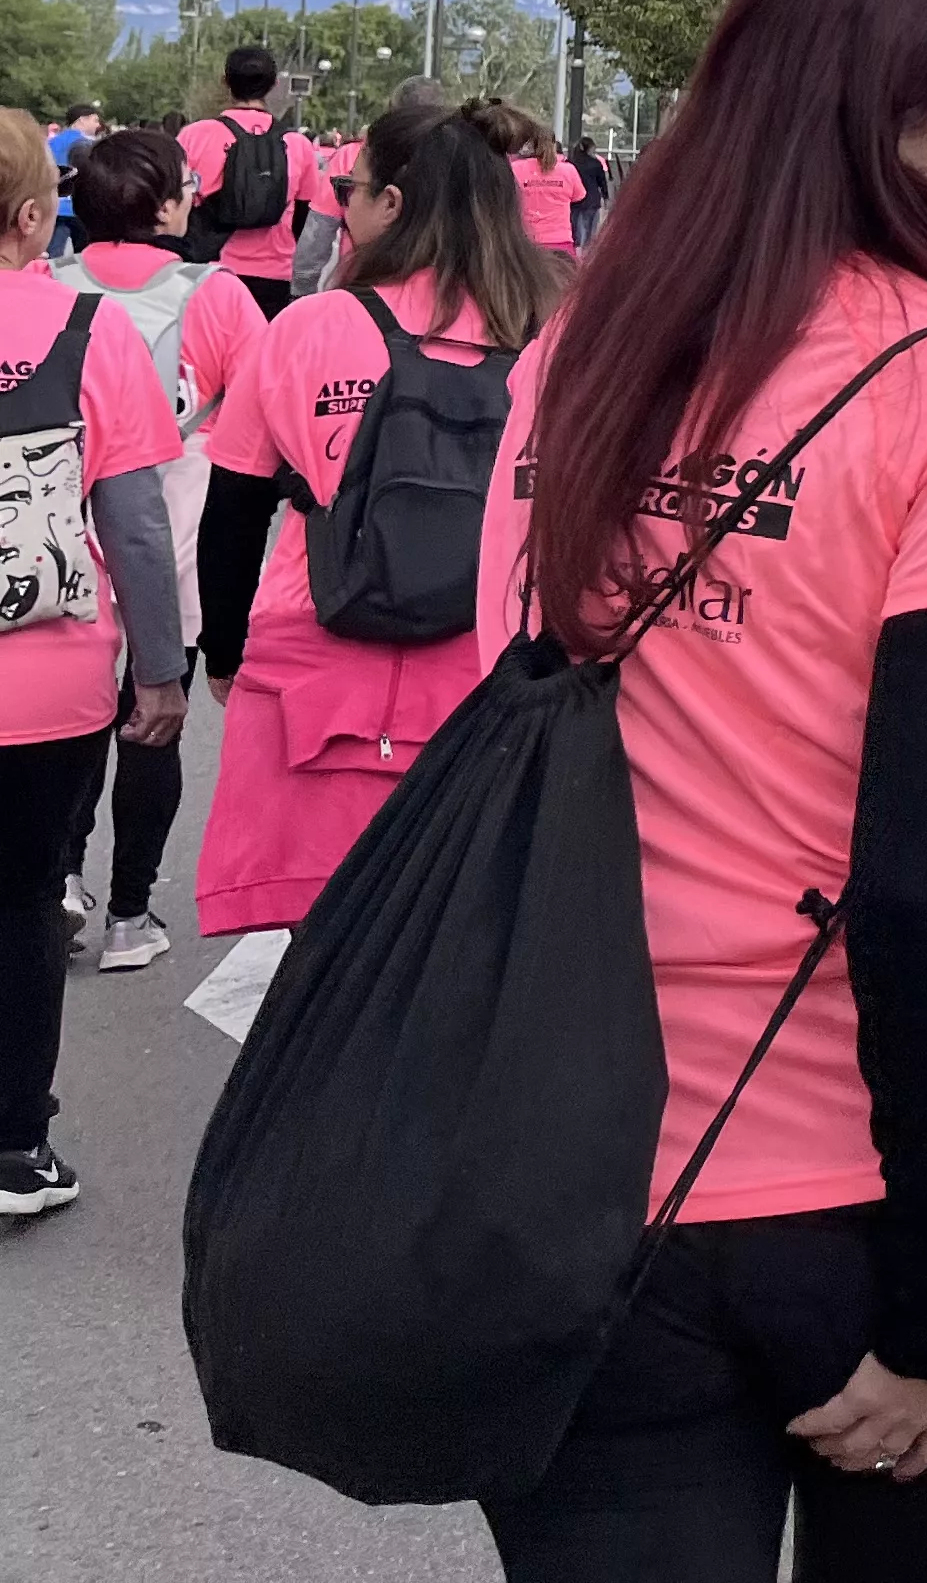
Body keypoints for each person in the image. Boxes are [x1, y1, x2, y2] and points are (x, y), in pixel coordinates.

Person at [476, 0, 927, 1575]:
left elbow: (518, 726)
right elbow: (919, 868)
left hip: (602, 1150)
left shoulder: (584, 352)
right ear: (886, 105)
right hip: (913, 1168)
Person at [194, 93, 564, 942]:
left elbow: (236, 508)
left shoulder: (309, 328)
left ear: (391, 205)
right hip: (489, 676)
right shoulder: (557, 334)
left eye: (348, 189)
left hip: (313, 677)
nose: (340, 204)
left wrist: (221, 650)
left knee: (319, 972)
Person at [0, 108, 186, 1218]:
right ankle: (16, 1149)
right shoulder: (88, 330)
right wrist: (157, 672)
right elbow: (137, 525)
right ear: (35, 215)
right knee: (22, 900)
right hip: (45, 681)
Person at [54, 128, 266, 972]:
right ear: (169, 204)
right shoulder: (216, 293)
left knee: (71, 725)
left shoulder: (51, 287)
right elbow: (255, 416)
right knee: (152, 719)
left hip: (67, 525)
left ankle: (61, 876)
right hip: (176, 520)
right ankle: (132, 916)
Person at [181, 44, 334, 320]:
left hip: (207, 268)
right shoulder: (297, 145)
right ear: (275, 84)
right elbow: (303, 220)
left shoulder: (194, 136)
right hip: (274, 274)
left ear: (225, 81)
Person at [475, 95, 585, 260]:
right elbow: (579, 196)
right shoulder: (568, 170)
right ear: (555, 144)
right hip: (560, 241)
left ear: (530, 143)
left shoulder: (516, 168)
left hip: (526, 243)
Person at [44, 103, 98, 255]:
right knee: (85, 256)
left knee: (53, 255)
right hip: (80, 208)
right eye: (94, 120)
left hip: (55, 207)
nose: (98, 125)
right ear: (82, 120)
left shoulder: (51, 143)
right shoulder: (89, 145)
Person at [567, 131, 612, 249]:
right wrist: (606, 197)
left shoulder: (571, 163)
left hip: (574, 201)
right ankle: (586, 252)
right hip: (592, 199)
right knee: (590, 230)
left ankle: (577, 249)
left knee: (577, 228)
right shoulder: (595, 163)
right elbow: (602, 182)